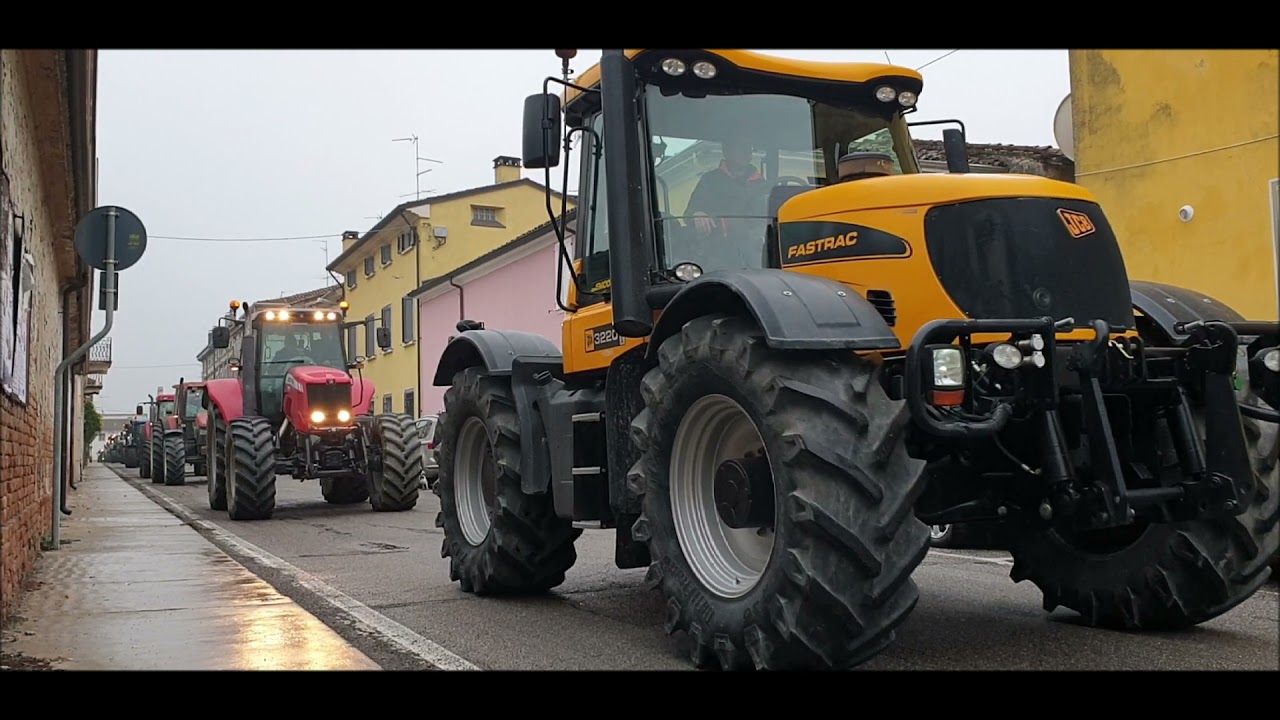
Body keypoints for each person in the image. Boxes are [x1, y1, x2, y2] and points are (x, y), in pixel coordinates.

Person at [684, 134, 767, 236]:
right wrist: (698, 214)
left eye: (749, 147)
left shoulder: (762, 184)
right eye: (741, 147)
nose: (747, 151)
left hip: (759, 248)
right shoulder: (710, 181)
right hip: (721, 246)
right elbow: (691, 211)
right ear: (727, 151)